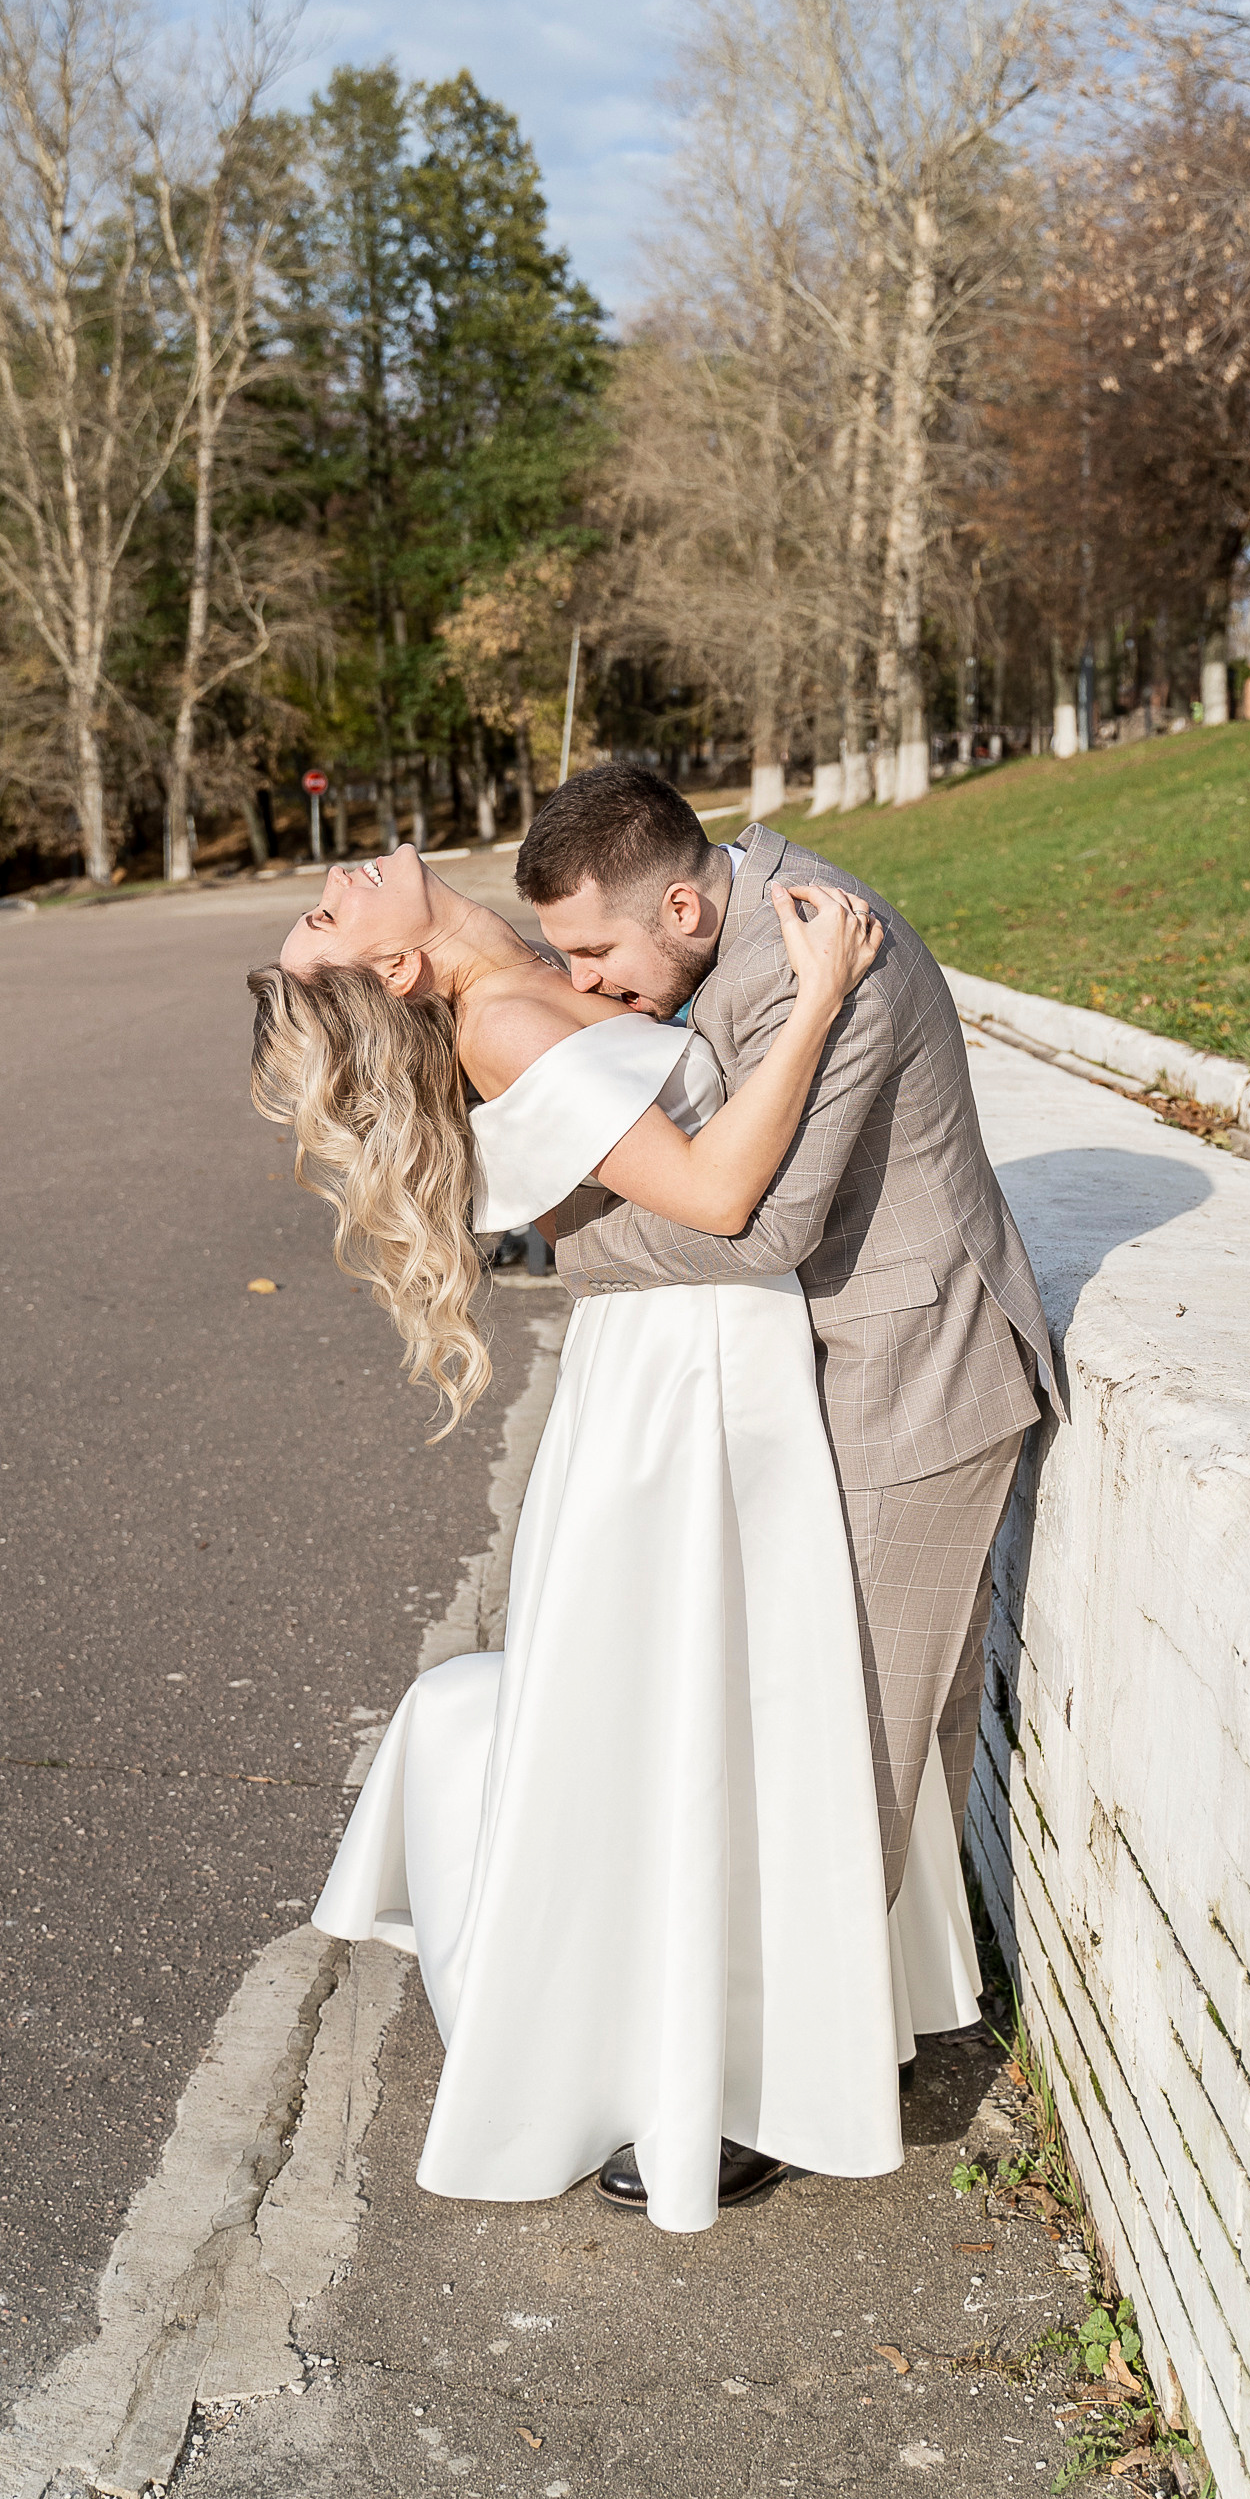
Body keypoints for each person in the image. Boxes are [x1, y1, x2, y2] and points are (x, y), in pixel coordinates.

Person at [251, 840, 984, 2234]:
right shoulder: (511, 1020)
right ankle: (705, 2063)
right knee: (712, 1699)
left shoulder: (535, 975)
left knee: (727, 1698)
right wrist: (822, 992)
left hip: (713, 1353)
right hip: (691, 1368)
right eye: (321, 917)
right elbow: (716, 1199)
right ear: (400, 971)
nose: (333, 879)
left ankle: (733, 2025)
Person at [517, 767, 1058, 1993]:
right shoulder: (736, 933)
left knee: (849, 1741)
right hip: (824, 1369)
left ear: (684, 911)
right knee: (783, 1716)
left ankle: (771, 2064)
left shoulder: (823, 954)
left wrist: (575, 1247)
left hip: (913, 1377)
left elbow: (759, 1230)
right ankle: (845, 2015)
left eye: (596, 949)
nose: (585, 984)